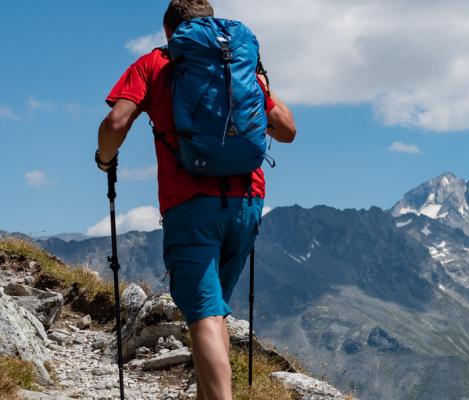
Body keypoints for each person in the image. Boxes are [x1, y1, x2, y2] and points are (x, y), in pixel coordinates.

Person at [96, 1, 297, 398]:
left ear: (170, 31)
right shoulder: (237, 65)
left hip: (190, 204)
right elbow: (287, 130)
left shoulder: (155, 63)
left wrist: (104, 159)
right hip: (247, 202)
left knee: (204, 315)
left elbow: (116, 122)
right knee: (216, 310)